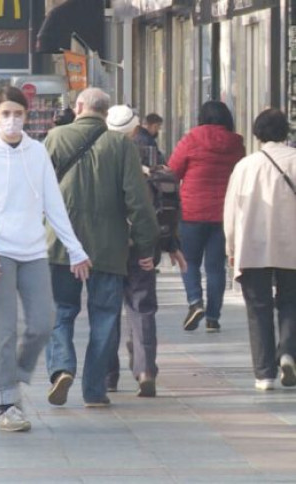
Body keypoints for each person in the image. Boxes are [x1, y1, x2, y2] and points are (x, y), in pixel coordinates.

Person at [0, 86, 91, 431]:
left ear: (27, 114)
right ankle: (7, 403)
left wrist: (75, 249)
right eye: (5, 113)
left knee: (43, 321)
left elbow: (54, 203)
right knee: (3, 330)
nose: (12, 119)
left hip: (34, 249)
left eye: (18, 113)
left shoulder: (37, 152)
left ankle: (16, 373)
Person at [43, 88, 159, 408]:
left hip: (59, 244)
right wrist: (147, 245)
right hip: (109, 247)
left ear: (78, 107)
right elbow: (138, 200)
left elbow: (35, 191)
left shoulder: (54, 138)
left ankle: (62, 367)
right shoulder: (121, 144)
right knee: (105, 316)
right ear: (106, 114)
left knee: (60, 311)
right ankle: (94, 390)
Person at [105, 105, 187, 397]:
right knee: (142, 309)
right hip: (143, 246)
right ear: (136, 126)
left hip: (108, 248)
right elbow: (162, 202)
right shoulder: (151, 154)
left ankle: (108, 375)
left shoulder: (101, 156)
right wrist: (168, 244)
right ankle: (145, 370)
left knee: (107, 310)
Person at [224, 108, 296, 391]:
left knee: (258, 307)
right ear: (286, 132)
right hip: (291, 245)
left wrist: (230, 245)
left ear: (257, 134)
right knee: (291, 301)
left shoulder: (246, 165)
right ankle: (288, 351)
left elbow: (231, 209)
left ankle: (264, 373)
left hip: (253, 247)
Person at [169, 101, 245, 333]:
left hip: (191, 211)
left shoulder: (192, 138)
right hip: (223, 213)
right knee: (215, 268)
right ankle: (213, 317)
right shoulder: (236, 143)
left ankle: (195, 302)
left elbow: (173, 171)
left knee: (189, 261)